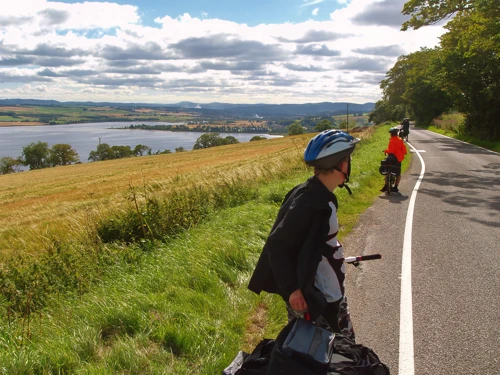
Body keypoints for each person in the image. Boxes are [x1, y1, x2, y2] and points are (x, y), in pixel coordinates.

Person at [248, 130, 360, 341]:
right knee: (337, 355)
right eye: (348, 159)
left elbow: (307, 240)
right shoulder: (312, 203)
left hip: (324, 292)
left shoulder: (313, 192)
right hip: (319, 298)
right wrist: (292, 290)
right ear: (341, 164)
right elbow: (277, 244)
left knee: (318, 355)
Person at [380, 127, 407, 193]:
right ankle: (395, 187)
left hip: (391, 158)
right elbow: (404, 151)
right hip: (398, 160)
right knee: (398, 173)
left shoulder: (391, 141)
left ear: (391, 134)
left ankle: (386, 186)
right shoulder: (400, 140)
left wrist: (386, 151)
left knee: (387, 169)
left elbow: (391, 151)